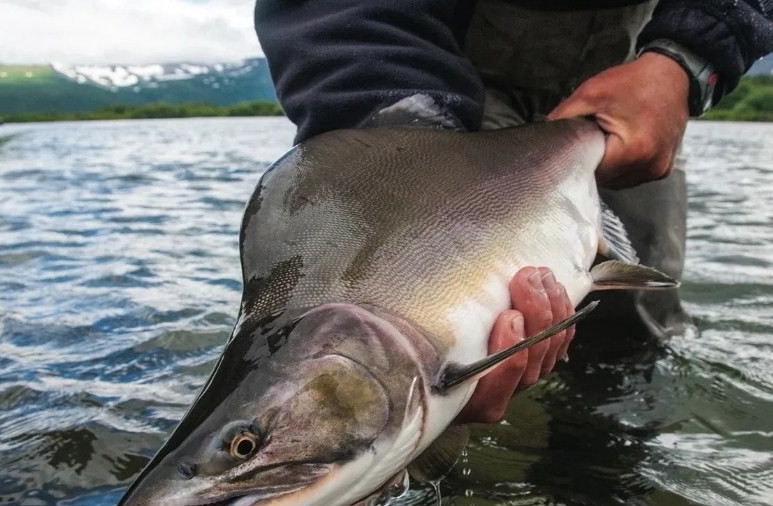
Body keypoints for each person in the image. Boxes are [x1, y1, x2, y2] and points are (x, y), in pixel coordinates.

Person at [254, 1, 773, 422]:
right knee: (461, 377)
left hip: (642, 66)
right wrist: (402, 138)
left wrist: (687, 60)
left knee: (636, 331)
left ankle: (607, 487)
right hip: (439, 76)